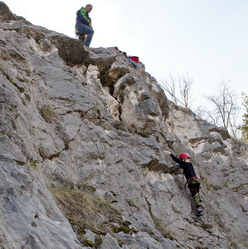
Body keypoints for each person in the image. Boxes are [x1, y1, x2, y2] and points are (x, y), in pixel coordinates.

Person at [165, 151, 204, 216]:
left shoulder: (184, 164)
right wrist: (180, 165)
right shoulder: (190, 164)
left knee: (194, 194)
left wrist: (170, 154)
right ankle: (200, 203)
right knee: (197, 193)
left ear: (183, 159)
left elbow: (177, 160)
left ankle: (199, 209)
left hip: (192, 182)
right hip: (196, 181)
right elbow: (184, 168)